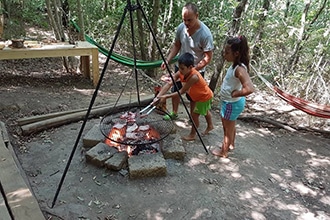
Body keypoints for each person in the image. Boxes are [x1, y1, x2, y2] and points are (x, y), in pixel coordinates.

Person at [160, 2, 214, 120]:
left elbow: (208, 57)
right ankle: (174, 113)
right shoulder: (181, 28)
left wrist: (194, 69)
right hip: (181, 65)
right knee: (176, 88)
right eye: (184, 20)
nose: (186, 23)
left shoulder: (205, 34)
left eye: (189, 20)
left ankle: (192, 117)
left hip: (195, 70)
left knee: (193, 95)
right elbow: (176, 45)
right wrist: (167, 60)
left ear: (197, 16)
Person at [211, 35, 254, 158]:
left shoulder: (239, 69)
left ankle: (223, 151)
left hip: (231, 103)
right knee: (231, 125)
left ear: (236, 53)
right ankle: (230, 145)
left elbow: (249, 88)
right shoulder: (236, 65)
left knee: (227, 129)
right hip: (231, 102)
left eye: (227, 52)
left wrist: (236, 93)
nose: (224, 54)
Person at [155, 52, 214, 141]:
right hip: (201, 96)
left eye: (182, 68)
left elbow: (181, 91)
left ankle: (192, 135)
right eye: (179, 68)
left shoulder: (194, 77)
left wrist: (166, 97)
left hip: (203, 97)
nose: (180, 71)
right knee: (205, 110)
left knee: (194, 116)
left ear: (190, 67)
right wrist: (158, 97)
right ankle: (210, 125)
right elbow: (170, 83)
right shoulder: (181, 72)